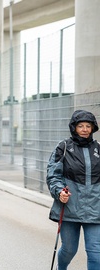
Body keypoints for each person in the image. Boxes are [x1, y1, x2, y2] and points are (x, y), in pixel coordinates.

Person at [46, 110, 100, 270]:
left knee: (95, 253)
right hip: (70, 207)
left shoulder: (99, 149)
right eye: (81, 126)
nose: (84, 129)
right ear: (74, 128)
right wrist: (59, 192)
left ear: (93, 128)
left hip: (95, 209)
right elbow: (53, 175)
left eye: (88, 126)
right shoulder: (63, 148)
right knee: (69, 250)